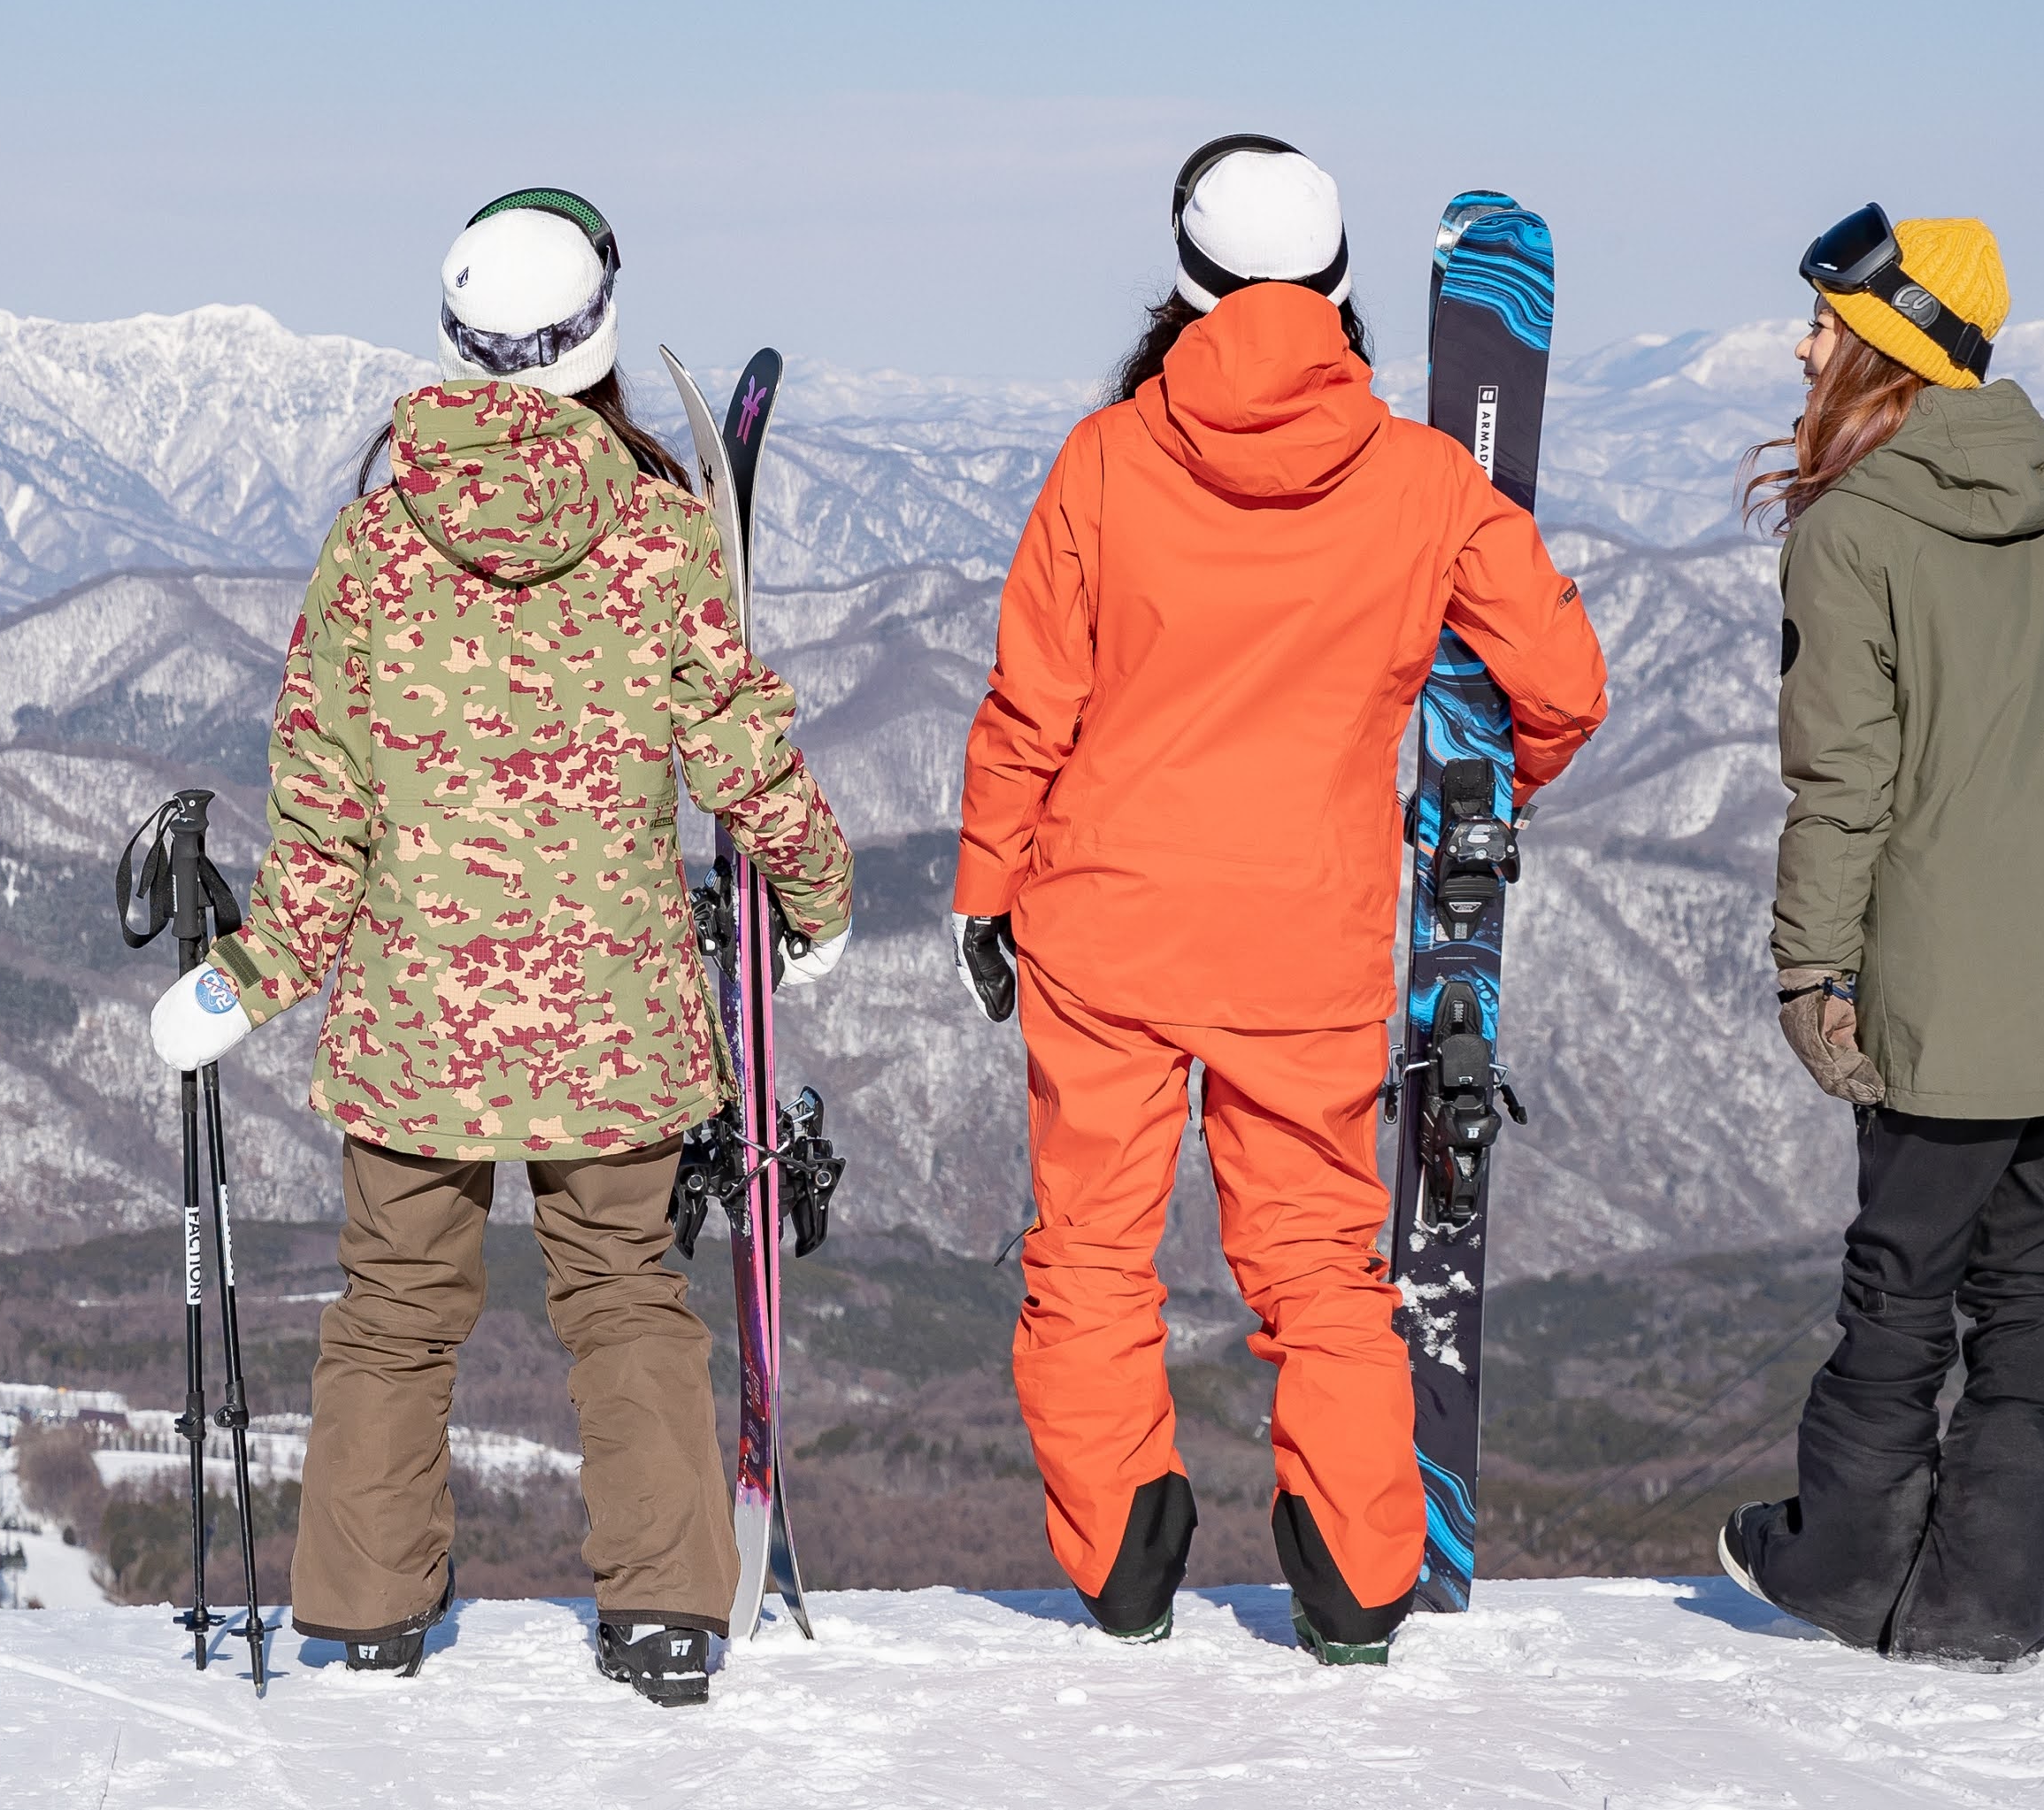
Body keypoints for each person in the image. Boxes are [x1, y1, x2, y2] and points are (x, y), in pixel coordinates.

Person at [144, 186, 852, 1709]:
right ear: (595, 325)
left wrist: (248, 979)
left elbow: (322, 808)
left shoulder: (373, 543)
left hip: (416, 1019)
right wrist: (816, 893)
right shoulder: (661, 528)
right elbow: (738, 749)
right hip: (616, 1016)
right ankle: (667, 1608)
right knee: (623, 1296)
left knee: (394, 1309)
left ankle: (358, 1612)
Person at [952, 135, 1610, 1663]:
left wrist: (987, 887)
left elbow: (1028, 704)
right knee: (1321, 1262)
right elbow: (1562, 679)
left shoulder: (1105, 457)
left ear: (1183, 279)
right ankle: (1358, 1581)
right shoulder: (1421, 480)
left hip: (1101, 925)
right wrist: (1495, 776)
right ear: (1336, 284)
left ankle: (1122, 1562)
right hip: (1303, 939)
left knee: (1093, 1254)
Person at [1720, 207, 2044, 1667]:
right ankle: (1995, 1598)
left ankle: (1847, 1564)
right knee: (2027, 1293)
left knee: (1901, 1284)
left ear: (1884, 353)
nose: (1800, 346)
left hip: (1949, 1008)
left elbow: (1840, 786)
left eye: (1825, 325)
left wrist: (1810, 973)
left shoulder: (1849, 533)